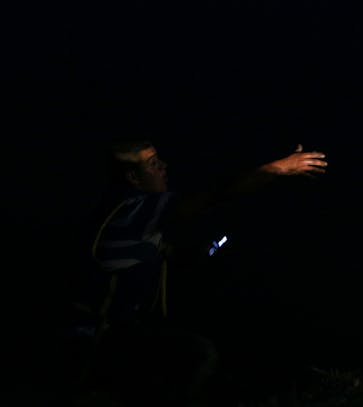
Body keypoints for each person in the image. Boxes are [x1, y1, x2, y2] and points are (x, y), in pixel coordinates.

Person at [72, 138, 328, 405]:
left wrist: (215, 248)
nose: (164, 167)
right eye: (153, 164)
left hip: (116, 339)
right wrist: (278, 168)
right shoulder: (133, 208)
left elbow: (182, 258)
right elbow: (216, 195)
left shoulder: (140, 224)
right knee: (196, 354)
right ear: (133, 178)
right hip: (94, 342)